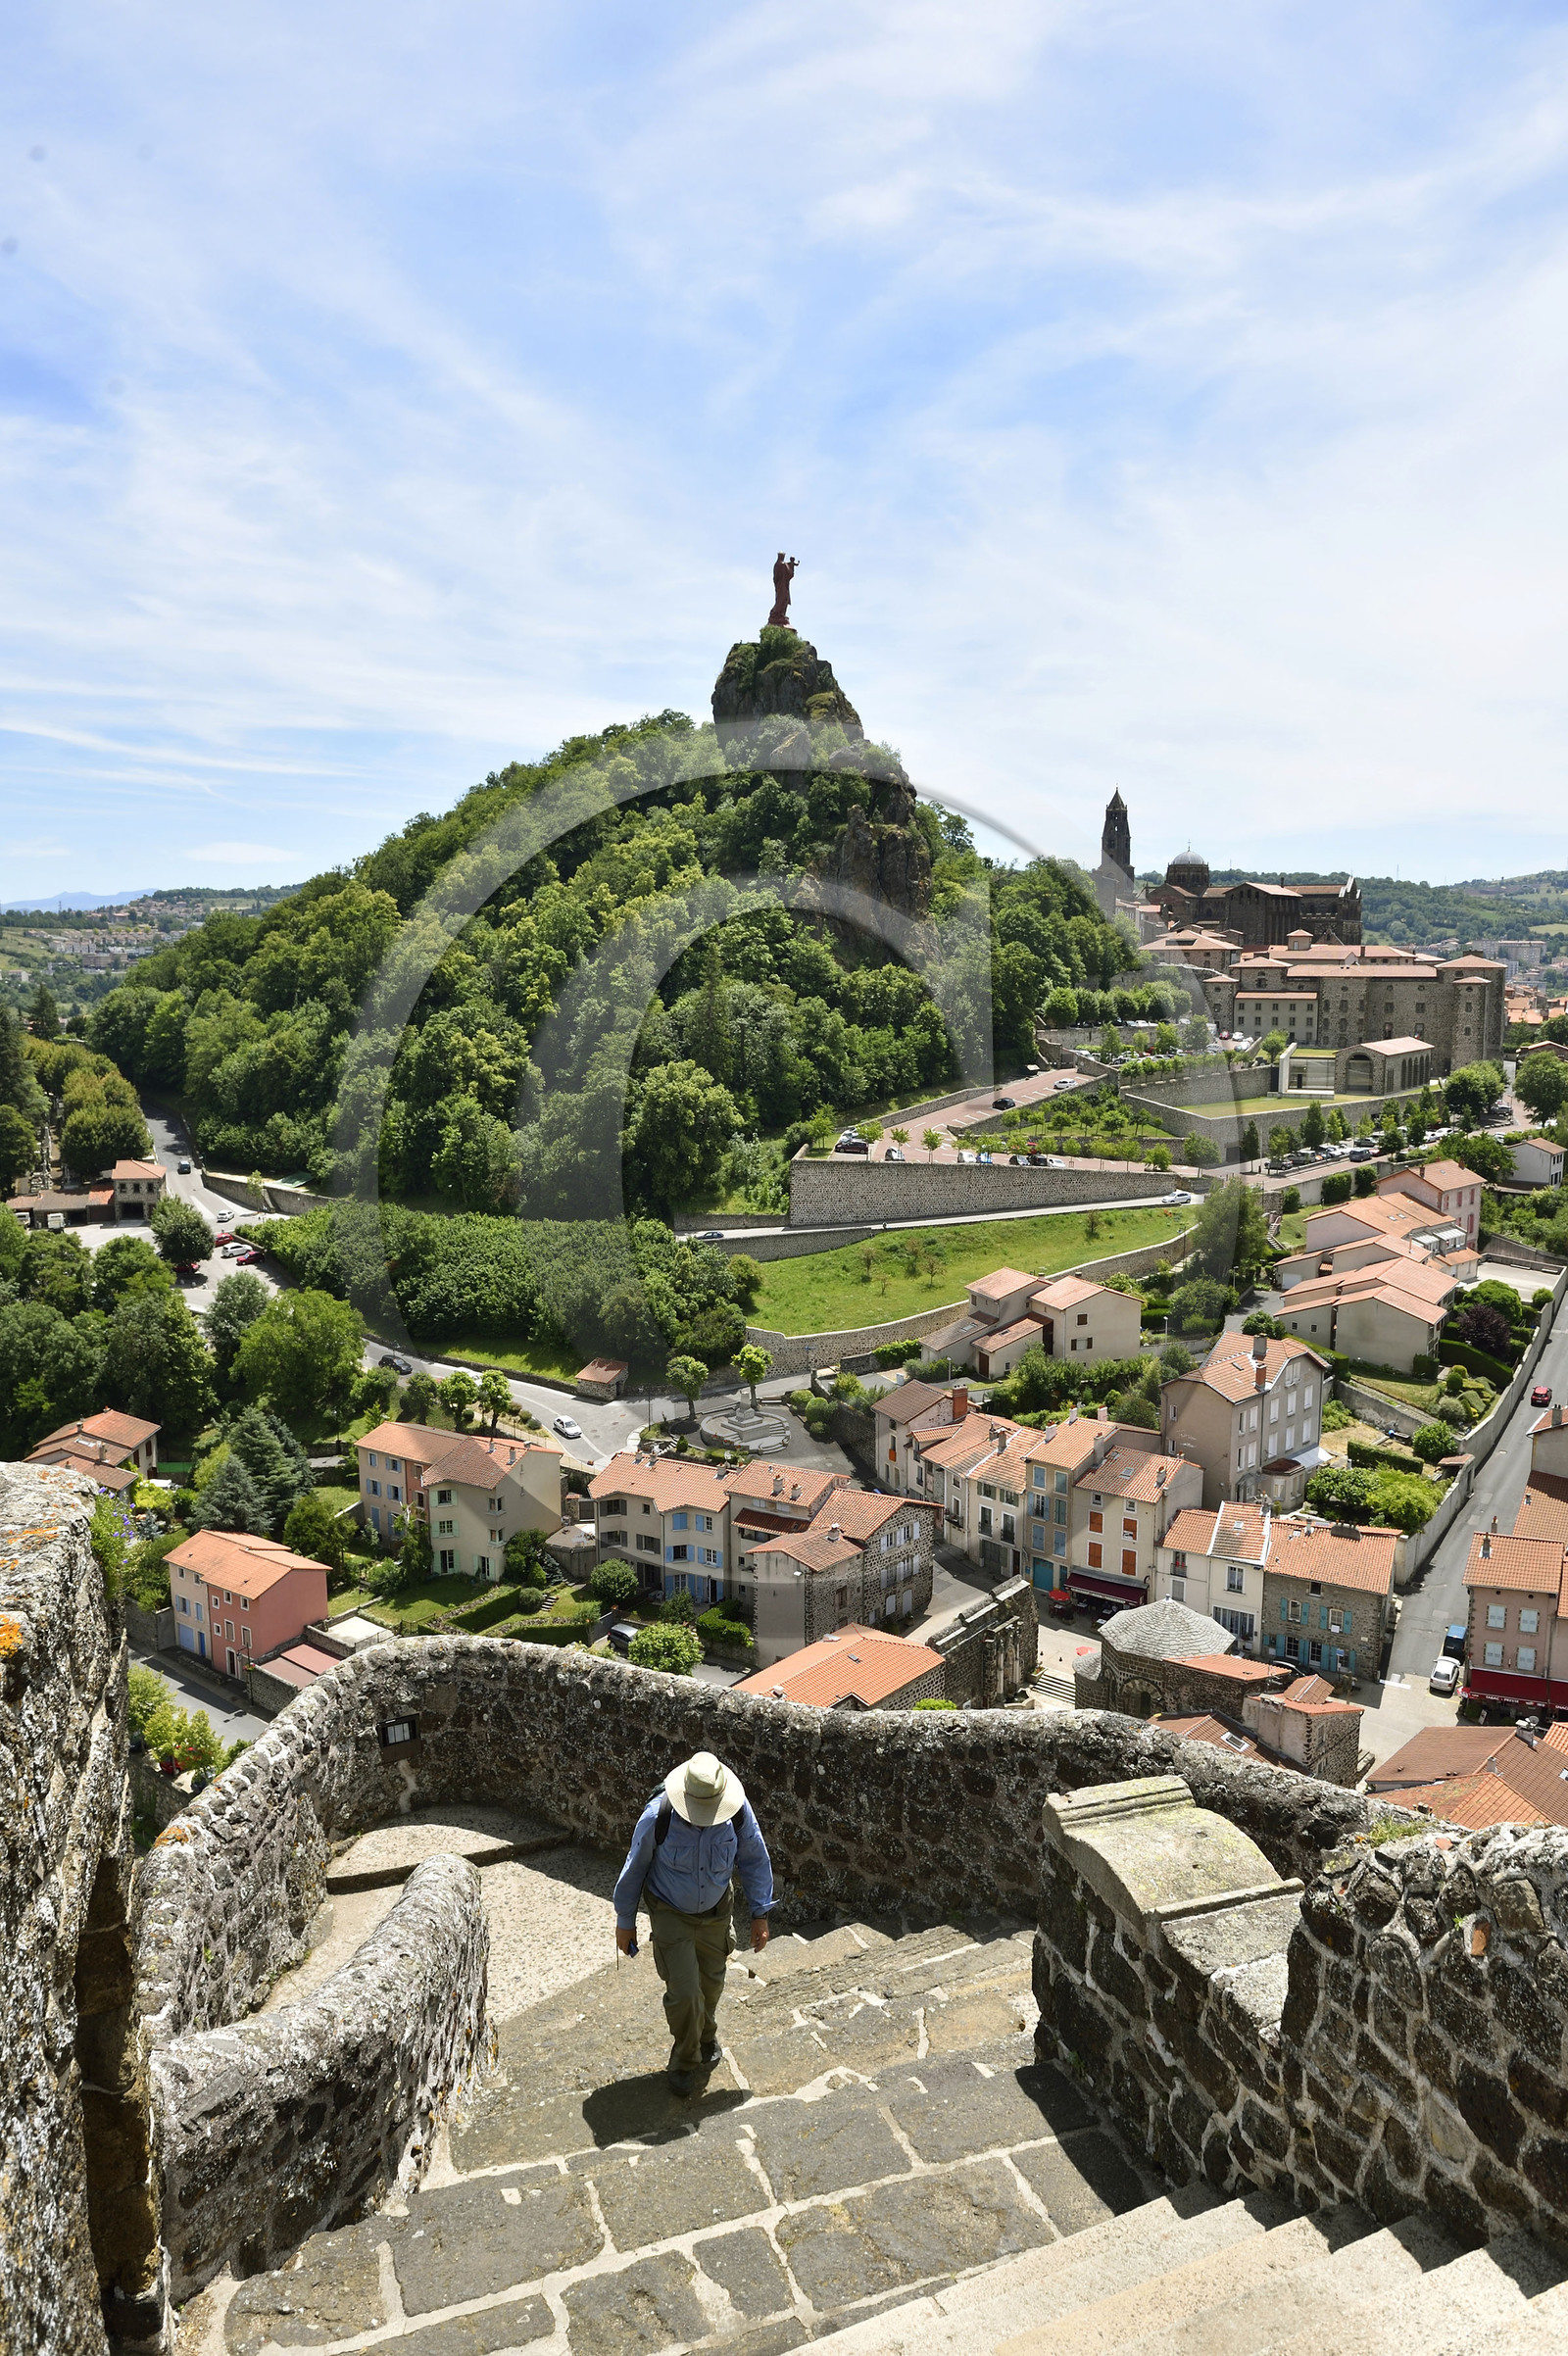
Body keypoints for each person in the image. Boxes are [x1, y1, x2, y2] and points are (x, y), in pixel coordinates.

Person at [613, 1749, 774, 2093]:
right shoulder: (659, 1814)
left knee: (712, 1985)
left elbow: (755, 1858)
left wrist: (760, 1914)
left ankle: (706, 2035)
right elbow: (635, 1867)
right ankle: (684, 2059)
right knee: (685, 1992)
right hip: (671, 1912)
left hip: (717, 1911)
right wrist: (625, 1920)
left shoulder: (738, 1812)